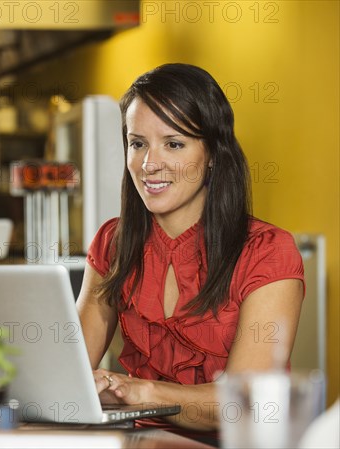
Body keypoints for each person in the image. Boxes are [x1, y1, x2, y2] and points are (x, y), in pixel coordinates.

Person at [76, 63, 304, 440]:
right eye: (138, 143)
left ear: (212, 153)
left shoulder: (268, 253)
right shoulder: (112, 242)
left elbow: (242, 403)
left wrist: (142, 391)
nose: (150, 164)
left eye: (174, 143)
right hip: (135, 440)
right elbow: (69, 374)